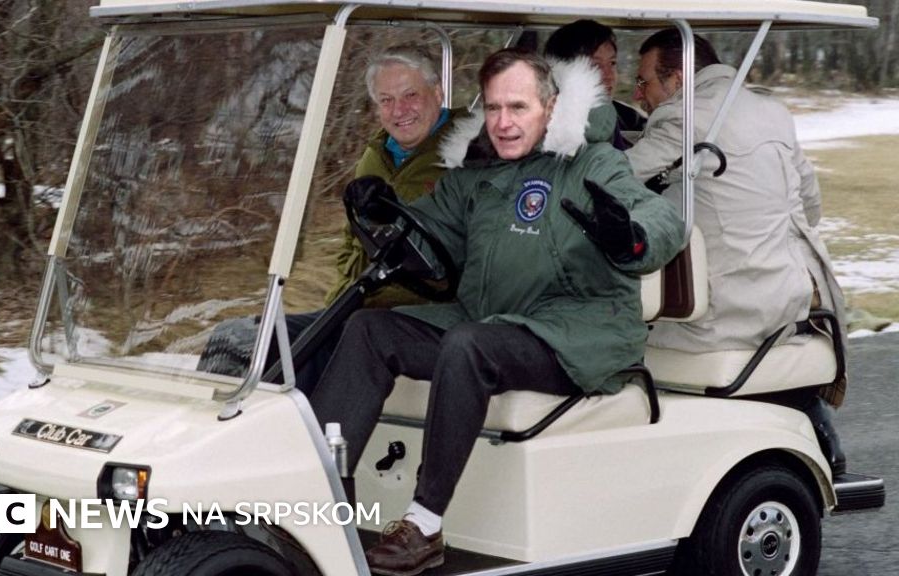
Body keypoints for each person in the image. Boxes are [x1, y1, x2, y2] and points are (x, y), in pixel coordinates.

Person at [310, 49, 684, 575]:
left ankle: (424, 524)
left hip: (578, 331)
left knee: (469, 344)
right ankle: (326, 496)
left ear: (550, 107)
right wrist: (382, 215)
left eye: (518, 107)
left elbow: (662, 217)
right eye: (493, 108)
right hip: (496, 320)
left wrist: (632, 239)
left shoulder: (591, 162)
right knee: (369, 329)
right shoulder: (476, 175)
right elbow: (429, 230)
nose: (504, 122)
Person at [624, 29, 848, 474]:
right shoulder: (772, 110)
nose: (638, 94)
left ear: (678, 79)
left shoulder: (683, 115)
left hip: (726, 314)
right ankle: (807, 416)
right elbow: (812, 206)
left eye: (644, 81)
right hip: (792, 301)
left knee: (608, 335)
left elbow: (613, 181)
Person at [197, 46, 464, 393]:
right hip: (358, 303)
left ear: (438, 93)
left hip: (424, 314)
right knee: (238, 338)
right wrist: (338, 300)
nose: (399, 110)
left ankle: (306, 427)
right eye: (386, 100)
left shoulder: (468, 153)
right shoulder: (377, 155)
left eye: (410, 95)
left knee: (323, 348)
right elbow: (351, 243)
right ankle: (214, 423)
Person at [543, 19, 647, 149]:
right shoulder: (545, 122)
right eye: (594, 66)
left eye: (612, 63)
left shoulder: (629, 118)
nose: (608, 75)